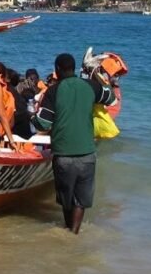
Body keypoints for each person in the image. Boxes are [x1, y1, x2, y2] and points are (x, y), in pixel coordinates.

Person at [33, 52, 116, 234]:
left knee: (66, 198)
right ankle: (74, 232)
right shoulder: (90, 86)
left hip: (63, 154)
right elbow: (111, 98)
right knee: (81, 199)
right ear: (72, 68)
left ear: (58, 70)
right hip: (87, 153)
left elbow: (43, 123)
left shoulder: (53, 91)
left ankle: (68, 230)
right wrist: (94, 74)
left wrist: (32, 116)